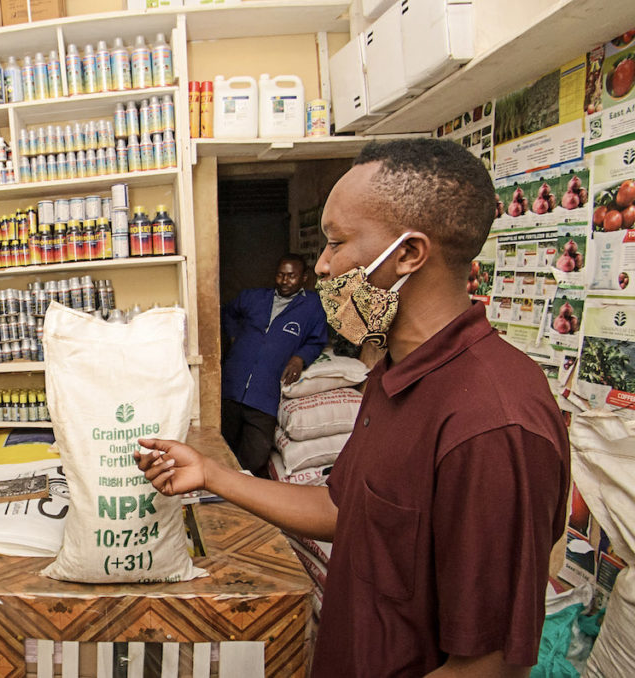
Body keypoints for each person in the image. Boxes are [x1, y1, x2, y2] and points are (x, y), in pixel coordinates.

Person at [137, 139, 569, 677]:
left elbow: (488, 665)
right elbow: (346, 513)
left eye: (336, 243)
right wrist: (210, 474)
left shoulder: (494, 420)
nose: (321, 266)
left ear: (409, 254)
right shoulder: (393, 375)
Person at [220, 253, 328, 477]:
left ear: (304, 278)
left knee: (256, 454)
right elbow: (227, 312)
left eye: (291, 276)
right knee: (222, 446)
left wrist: (300, 357)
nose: (284, 281)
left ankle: (241, 493)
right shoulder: (254, 297)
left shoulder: (312, 306)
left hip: (265, 394)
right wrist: (233, 337)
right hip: (232, 385)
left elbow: (317, 340)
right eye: (280, 275)